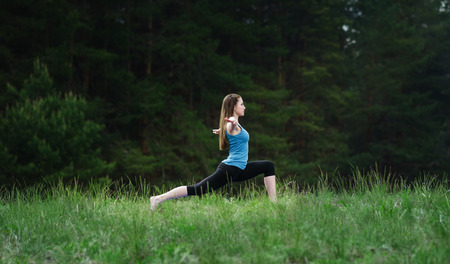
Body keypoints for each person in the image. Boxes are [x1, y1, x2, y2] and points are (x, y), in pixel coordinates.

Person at [150, 93, 277, 211]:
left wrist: (225, 129)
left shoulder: (235, 124)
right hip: (230, 169)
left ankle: (274, 204)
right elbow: (231, 127)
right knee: (197, 189)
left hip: (239, 169)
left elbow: (231, 130)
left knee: (268, 166)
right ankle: (158, 199)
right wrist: (231, 125)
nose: (244, 107)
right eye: (241, 104)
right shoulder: (232, 123)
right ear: (234, 107)